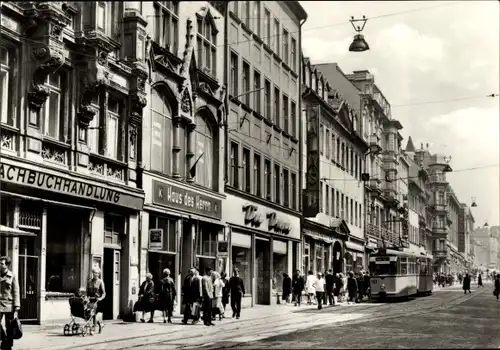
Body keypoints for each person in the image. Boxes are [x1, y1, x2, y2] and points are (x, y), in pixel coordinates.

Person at [0, 256, 20, 350]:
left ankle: (9, 345)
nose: (0, 265)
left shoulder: (12, 276)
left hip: (9, 304)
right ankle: (4, 339)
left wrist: (17, 305)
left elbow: (16, 291)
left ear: (7, 265)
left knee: (10, 327)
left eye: (2, 263)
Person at [86, 267, 106, 333]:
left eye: (97, 273)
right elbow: (87, 292)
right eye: (94, 273)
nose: (95, 274)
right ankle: (100, 324)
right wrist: (87, 297)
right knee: (89, 314)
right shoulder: (89, 282)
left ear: (99, 274)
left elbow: (104, 293)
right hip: (91, 300)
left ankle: (93, 329)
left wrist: (100, 298)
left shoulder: (100, 282)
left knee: (94, 315)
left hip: (98, 301)